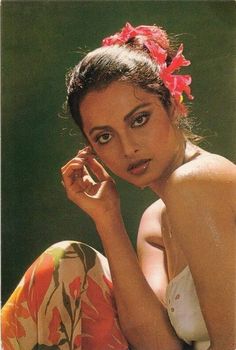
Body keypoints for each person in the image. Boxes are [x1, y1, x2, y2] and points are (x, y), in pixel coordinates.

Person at [2, 22, 235, 350]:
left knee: (65, 261)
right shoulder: (155, 221)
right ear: (91, 148)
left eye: (139, 119)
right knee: (66, 261)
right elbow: (155, 345)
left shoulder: (198, 180)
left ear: (171, 104)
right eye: (105, 137)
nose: (128, 148)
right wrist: (107, 218)